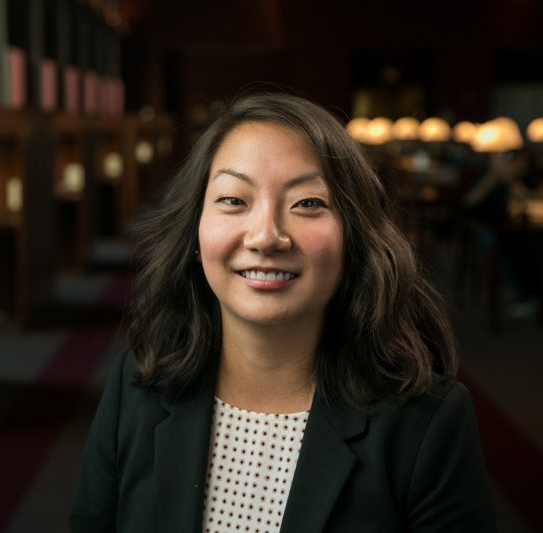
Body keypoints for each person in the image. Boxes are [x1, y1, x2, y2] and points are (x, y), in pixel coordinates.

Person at [70, 93, 496, 532]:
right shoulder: (137, 389)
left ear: (355, 238)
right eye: (234, 200)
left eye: (307, 203)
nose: (266, 237)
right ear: (195, 236)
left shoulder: (426, 424)